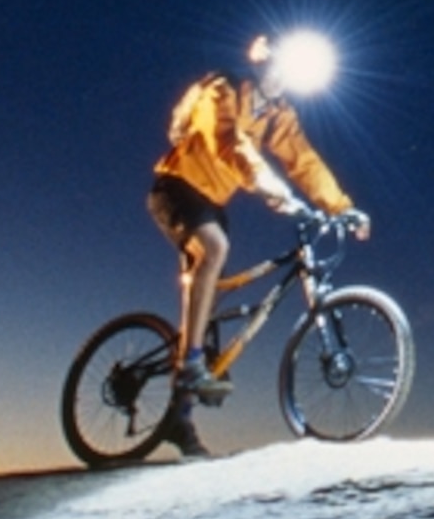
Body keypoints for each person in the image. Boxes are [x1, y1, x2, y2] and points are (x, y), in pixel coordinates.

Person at [147, 31, 370, 455]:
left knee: (210, 288)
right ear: (263, 60)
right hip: (175, 189)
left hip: (212, 203)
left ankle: (181, 417)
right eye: (281, 68)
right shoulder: (224, 88)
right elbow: (229, 143)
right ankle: (190, 363)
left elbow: (304, 161)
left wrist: (342, 208)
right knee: (213, 251)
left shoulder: (279, 115)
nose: (282, 80)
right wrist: (272, 190)